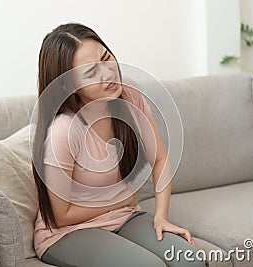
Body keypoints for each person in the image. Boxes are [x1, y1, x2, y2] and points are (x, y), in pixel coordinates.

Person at [31, 22, 207, 267]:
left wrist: (161, 216)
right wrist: (122, 199)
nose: (107, 74)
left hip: (124, 217)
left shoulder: (129, 95)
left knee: (191, 261)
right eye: (91, 72)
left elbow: (159, 159)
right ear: (69, 85)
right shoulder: (63, 130)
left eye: (106, 58)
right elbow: (61, 216)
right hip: (67, 233)